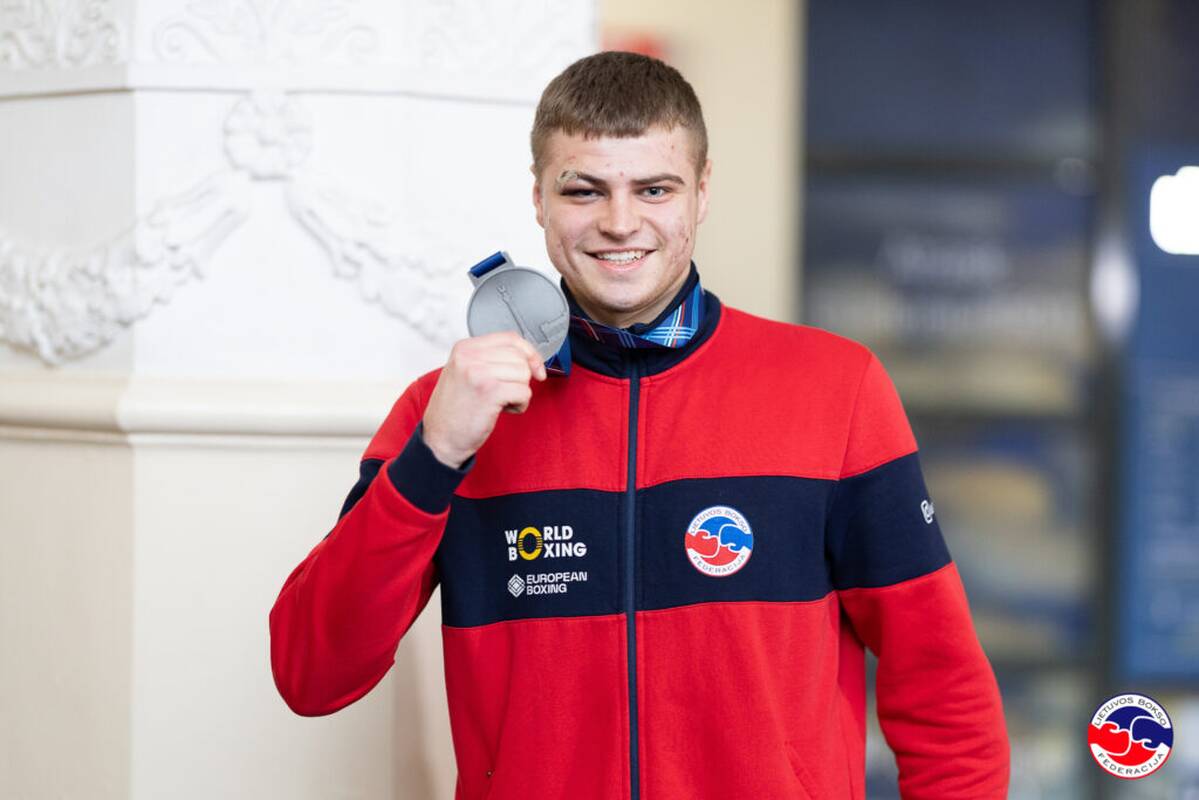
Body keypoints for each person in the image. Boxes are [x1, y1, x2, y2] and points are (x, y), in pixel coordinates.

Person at [269, 51, 1010, 799]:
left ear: (702, 191)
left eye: (654, 189)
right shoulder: (445, 412)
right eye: (583, 190)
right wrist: (435, 458)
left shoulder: (835, 388)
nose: (619, 223)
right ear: (538, 198)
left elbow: (943, 691)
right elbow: (311, 674)